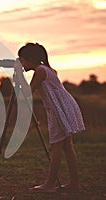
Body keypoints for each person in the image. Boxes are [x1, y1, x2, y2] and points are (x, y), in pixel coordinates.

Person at [15, 42, 85, 193]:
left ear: (30, 58)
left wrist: (18, 76)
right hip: (63, 107)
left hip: (59, 110)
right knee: (67, 146)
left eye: (21, 59)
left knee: (57, 147)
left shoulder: (40, 70)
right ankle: (74, 183)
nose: (20, 62)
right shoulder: (48, 69)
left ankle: (50, 184)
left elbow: (28, 92)